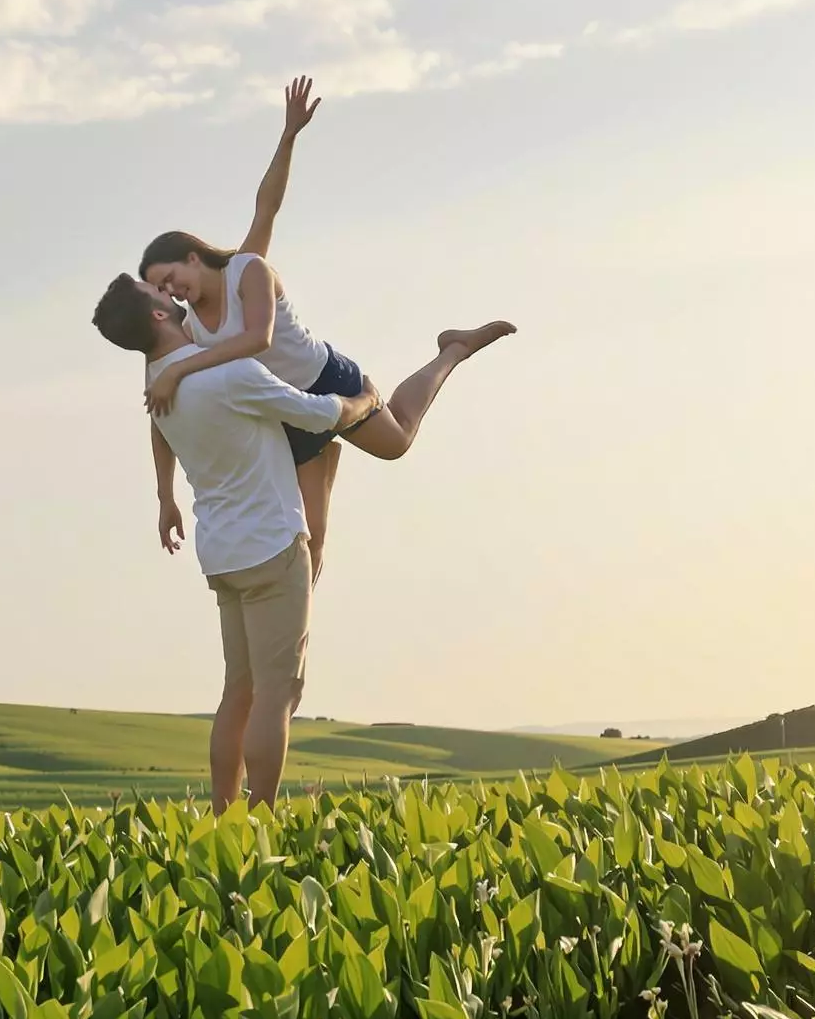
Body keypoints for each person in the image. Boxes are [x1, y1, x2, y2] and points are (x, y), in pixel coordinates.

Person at [138, 76, 513, 579]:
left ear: (190, 256)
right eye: (161, 291)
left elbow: (258, 333)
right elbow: (161, 414)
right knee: (308, 553)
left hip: (324, 381)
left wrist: (289, 134)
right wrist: (165, 496)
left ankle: (452, 350)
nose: (172, 292)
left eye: (170, 278)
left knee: (398, 441)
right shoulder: (191, 334)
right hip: (286, 412)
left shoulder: (247, 270)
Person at [90, 272, 377, 808]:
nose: (171, 296)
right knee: (279, 692)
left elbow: (156, 426)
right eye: (160, 296)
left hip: (220, 552)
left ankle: (223, 815)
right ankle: (263, 814)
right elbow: (317, 413)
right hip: (271, 543)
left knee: (238, 691)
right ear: (156, 316)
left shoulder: (160, 379)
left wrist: (165, 498)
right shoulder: (230, 375)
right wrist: (362, 401)